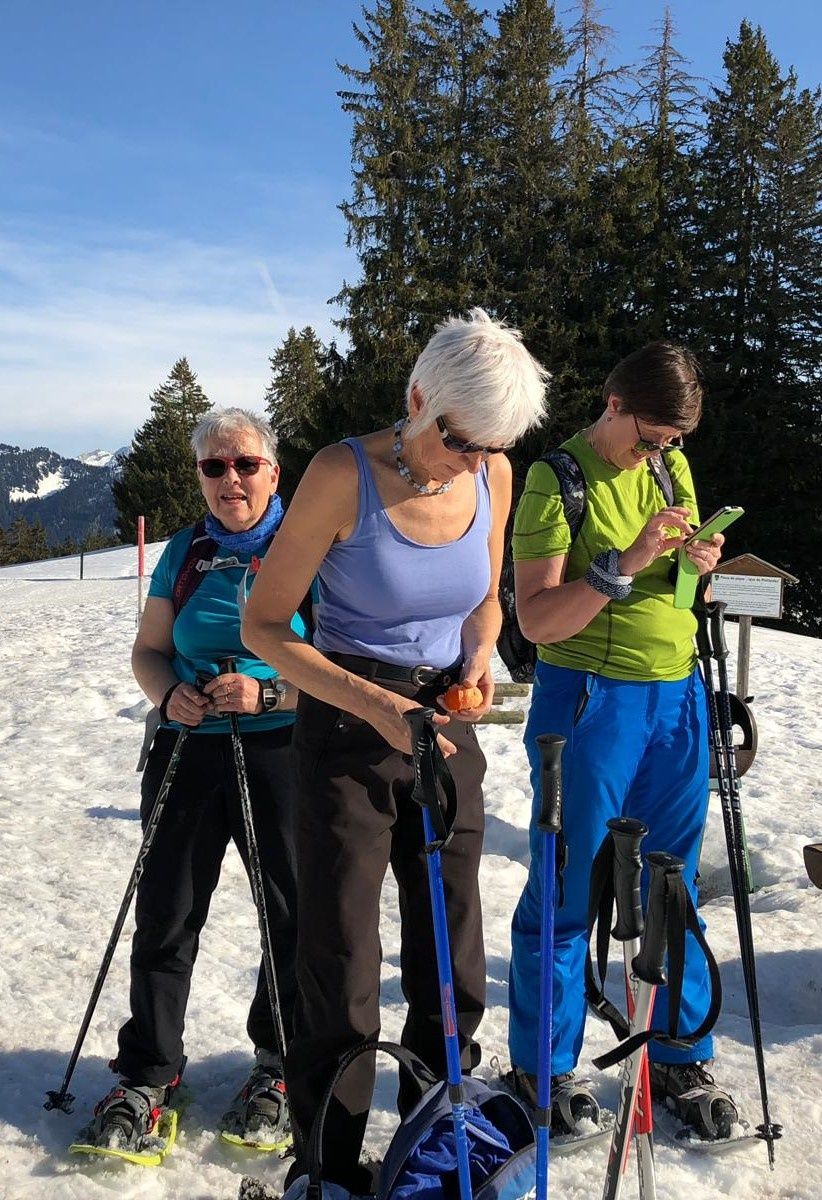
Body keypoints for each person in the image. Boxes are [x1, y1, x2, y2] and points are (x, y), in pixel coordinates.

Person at [242, 308, 549, 1190]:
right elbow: (267, 626)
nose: (472, 461)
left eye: (489, 446)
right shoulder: (343, 475)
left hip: (444, 720)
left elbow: (486, 598)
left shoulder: (492, 469)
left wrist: (482, 653)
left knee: (450, 945)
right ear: (418, 398)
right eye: (458, 440)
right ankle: (329, 1163)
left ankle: (432, 1136)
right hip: (346, 715)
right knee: (341, 957)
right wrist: (376, 704)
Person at [506, 341, 739, 1142]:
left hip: (676, 697)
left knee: (673, 886)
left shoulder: (671, 470)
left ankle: (678, 1052)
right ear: (612, 404)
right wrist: (629, 559)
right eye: (650, 436)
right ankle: (546, 1063)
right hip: (589, 701)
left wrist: (698, 565)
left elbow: (678, 590)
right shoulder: (555, 481)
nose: (661, 453)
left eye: (673, 441)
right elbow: (537, 620)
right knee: (570, 886)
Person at [79, 408, 302, 1154]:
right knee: (167, 912)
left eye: (244, 464)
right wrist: (165, 692)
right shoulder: (188, 547)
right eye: (214, 467)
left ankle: (279, 1063)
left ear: (274, 470)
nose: (230, 478)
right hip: (188, 745)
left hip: (283, 749)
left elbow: (342, 666)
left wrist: (269, 693)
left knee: (289, 916)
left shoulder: (309, 545)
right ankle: (149, 1072)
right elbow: (149, 650)